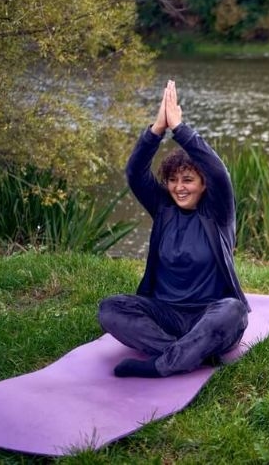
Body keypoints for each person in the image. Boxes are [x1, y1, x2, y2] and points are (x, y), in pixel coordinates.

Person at [98, 79, 249, 378]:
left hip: (210, 315)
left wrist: (180, 129)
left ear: (203, 184)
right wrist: (156, 129)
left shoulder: (218, 213)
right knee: (110, 309)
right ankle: (187, 354)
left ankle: (161, 364)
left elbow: (219, 170)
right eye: (173, 181)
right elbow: (134, 172)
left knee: (233, 310)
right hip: (165, 315)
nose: (179, 188)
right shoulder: (163, 208)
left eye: (188, 180)